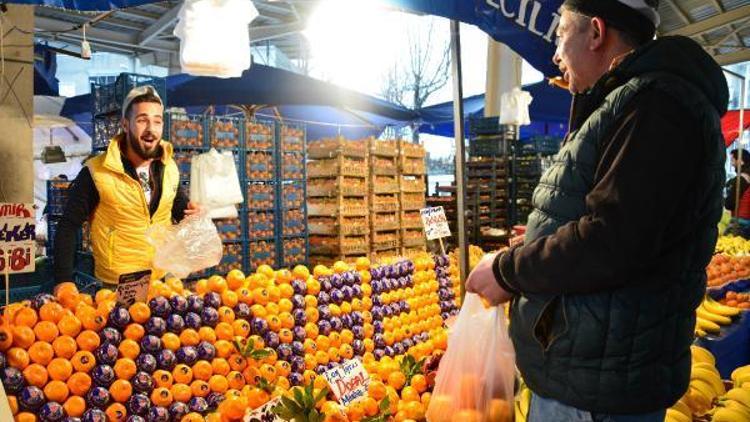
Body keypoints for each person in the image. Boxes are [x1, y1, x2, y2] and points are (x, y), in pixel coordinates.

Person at [466, 0, 727, 420]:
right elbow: (619, 219)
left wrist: (507, 271)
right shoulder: (633, 102)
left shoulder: (656, 105)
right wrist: (539, 240)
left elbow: (613, 240)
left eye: (561, 35)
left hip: (595, 392)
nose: (555, 54)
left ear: (596, 33)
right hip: (590, 374)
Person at [54, 86, 200, 286]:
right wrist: (63, 280)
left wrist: (192, 214)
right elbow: (68, 226)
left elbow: (177, 209)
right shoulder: (97, 172)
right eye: (142, 120)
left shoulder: (169, 167)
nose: (150, 129)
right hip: (118, 284)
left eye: (157, 121)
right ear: (125, 124)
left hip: (161, 279)